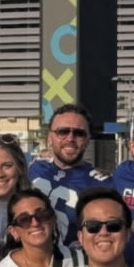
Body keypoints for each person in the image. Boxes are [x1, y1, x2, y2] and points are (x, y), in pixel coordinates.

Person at [27, 102, 111, 245]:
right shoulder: (33, 168)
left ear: (88, 139)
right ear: (49, 137)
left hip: (69, 262)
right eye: (62, 131)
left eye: (79, 133)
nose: (70, 138)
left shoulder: (102, 185)